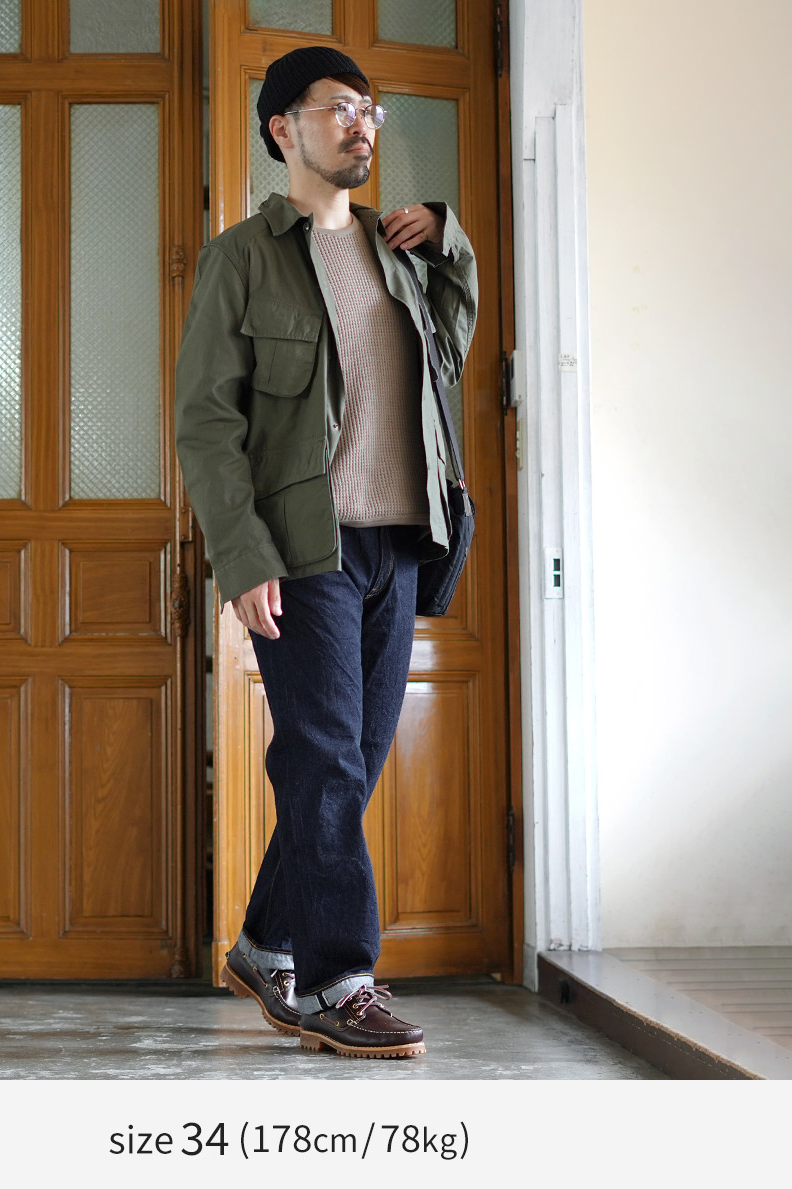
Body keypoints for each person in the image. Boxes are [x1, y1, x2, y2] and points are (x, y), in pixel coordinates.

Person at [175, 46, 478, 1059]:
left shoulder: (399, 259)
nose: (363, 125)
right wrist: (242, 554)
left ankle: (265, 942)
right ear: (283, 128)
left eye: (371, 112)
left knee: (347, 763)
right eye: (341, 107)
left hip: (400, 544)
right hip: (304, 550)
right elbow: (207, 422)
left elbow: (449, 351)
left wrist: (449, 242)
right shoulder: (242, 259)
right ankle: (341, 982)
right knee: (327, 761)